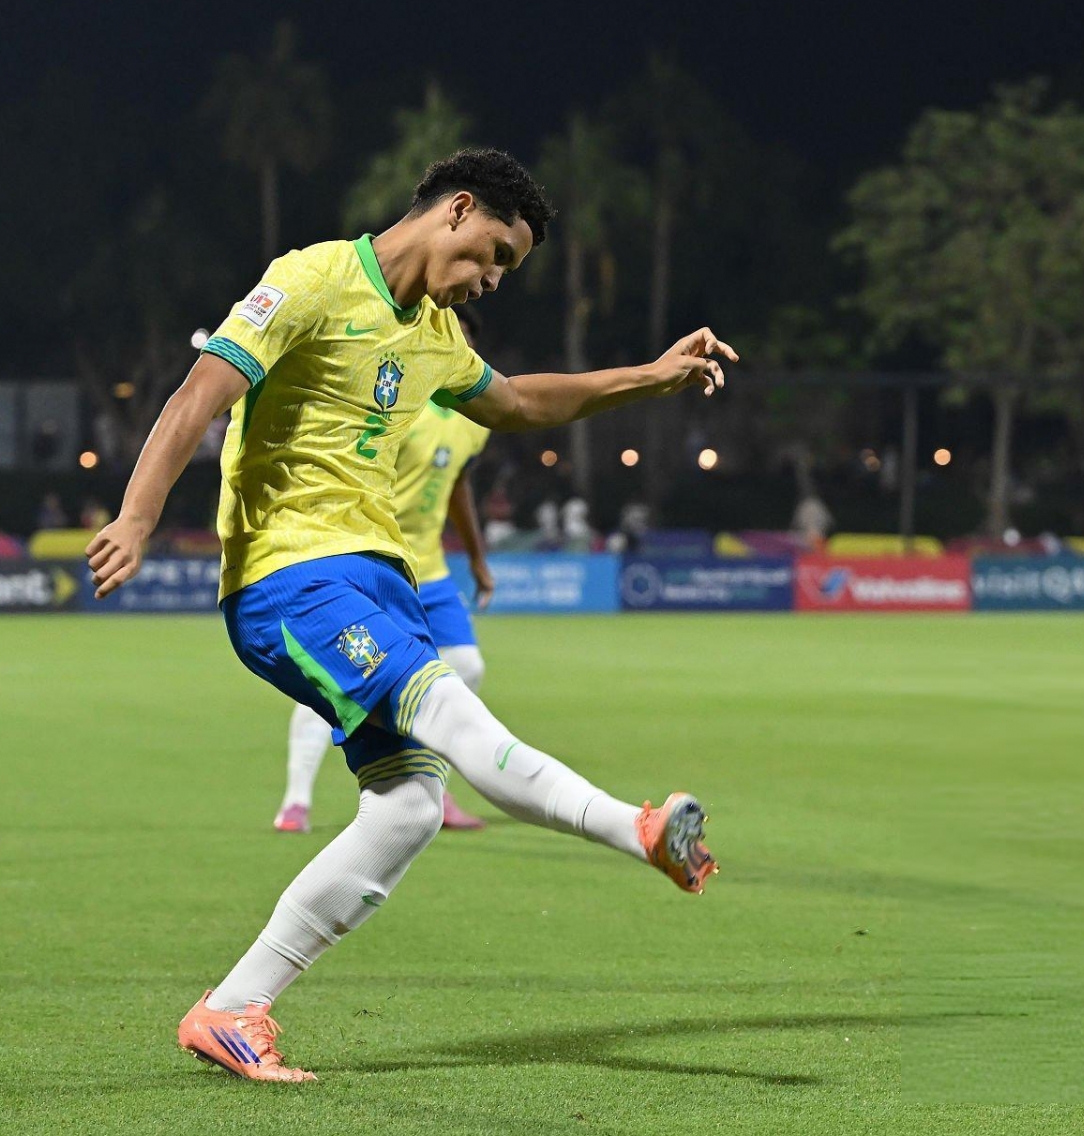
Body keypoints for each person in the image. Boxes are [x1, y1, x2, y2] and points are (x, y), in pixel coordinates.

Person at [86, 148, 734, 1082]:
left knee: (409, 808)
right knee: (451, 712)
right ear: (457, 209)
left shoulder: (435, 334)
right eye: (494, 255)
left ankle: (231, 1008)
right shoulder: (311, 279)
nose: (492, 280)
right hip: (291, 577)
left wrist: (649, 376)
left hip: (380, 576)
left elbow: (516, 401)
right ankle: (636, 827)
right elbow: (199, 394)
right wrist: (138, 517)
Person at [275, 314, 499, 835]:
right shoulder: (400, 404)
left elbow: (457, 484)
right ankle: (295, 801)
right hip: (372, 562)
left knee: (466, 666)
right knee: (332, 684)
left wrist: (477, 558)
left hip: (430, 569)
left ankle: (432, 787)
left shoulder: (474, 422)